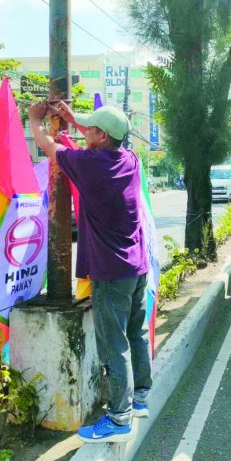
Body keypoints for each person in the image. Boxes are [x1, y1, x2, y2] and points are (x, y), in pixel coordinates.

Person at [29, 101, 151, 443]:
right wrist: (76, 122)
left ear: (101, 136)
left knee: (114, 344)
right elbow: (89, 144)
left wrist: (35, 120)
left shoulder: (90, 165)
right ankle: (140, 398)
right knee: (135, 334)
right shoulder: (130, 160)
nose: (86, 133)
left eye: (90, 129)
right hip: (136, 266)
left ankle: (119, 418)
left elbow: (49, 147)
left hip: (111, 273)